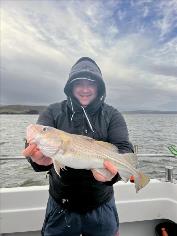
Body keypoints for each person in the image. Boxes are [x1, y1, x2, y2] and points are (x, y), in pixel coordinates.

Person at [24, 57, 134, 236]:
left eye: (91, 83)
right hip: (60, 205)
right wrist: (36, 159)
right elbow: (36, 145)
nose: (84, 89)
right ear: (70, 87)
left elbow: (123, 147)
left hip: (101, 203)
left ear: (99, 87)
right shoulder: (53, 111)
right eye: (78, 83)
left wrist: (111, 177)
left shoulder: (112, 115)